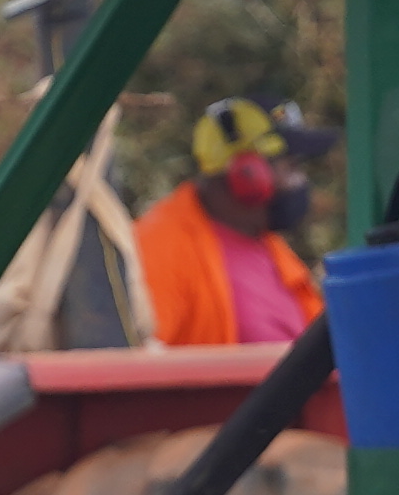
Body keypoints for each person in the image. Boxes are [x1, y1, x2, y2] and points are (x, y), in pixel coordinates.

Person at [127, 96, 325, 350]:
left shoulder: (265, 243)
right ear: (248, 174)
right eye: (292, 166)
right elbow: (139, 360)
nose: (301, 181)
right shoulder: (161, 245)